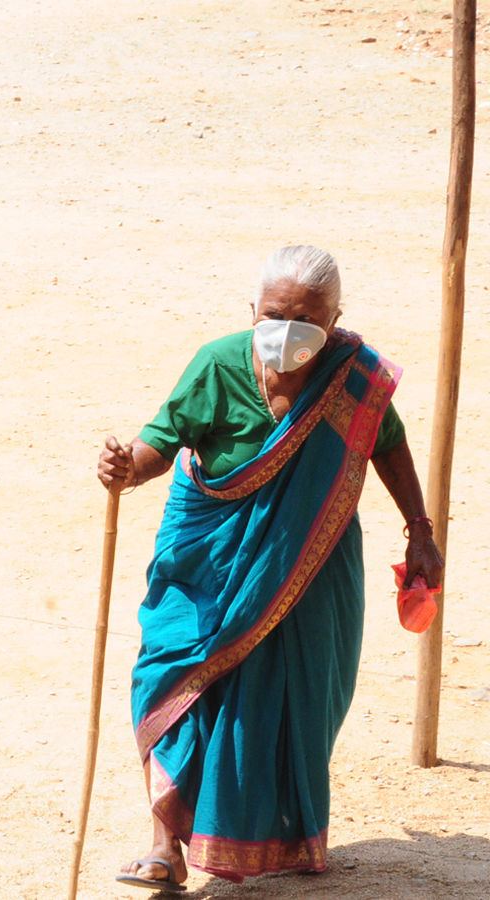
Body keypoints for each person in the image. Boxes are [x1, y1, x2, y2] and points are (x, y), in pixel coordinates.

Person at [97, 245, 444, 892]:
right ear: (252, 310)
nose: (287, 332)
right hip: (205, 557)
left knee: (292, 700)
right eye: (275, 314)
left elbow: (387, 444)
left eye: (307, 320)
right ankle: (163, 842)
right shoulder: (218, 363)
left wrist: (419, 530)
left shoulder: (351, 376)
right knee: (169, 676)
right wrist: (128, 467)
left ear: (336, 319)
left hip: (312, 561)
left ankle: (273, 834)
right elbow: (161, 442)